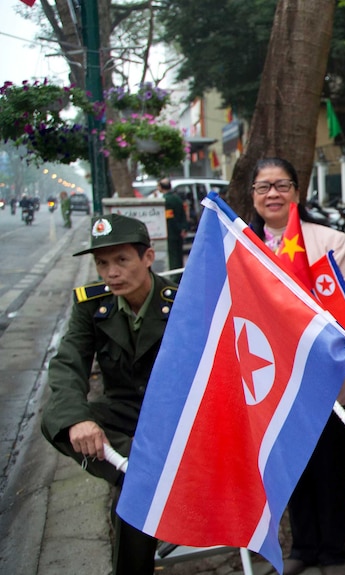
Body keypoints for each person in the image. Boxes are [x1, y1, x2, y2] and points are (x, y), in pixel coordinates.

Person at [40, 214, 179, 575]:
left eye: (121, 260)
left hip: (174, 418)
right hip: (123, 413)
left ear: (148, 257)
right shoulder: (91, 305)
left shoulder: (179, 303)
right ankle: (141, 473)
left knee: (130, 500)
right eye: (102, 263)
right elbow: (68, 364)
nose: (111, 273)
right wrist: (79, 419)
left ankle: (138, 476)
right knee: (57, 418)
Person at [249, 157, 345, 575]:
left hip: (328, 379)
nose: (273, 194)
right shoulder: (248, 248)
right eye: (263, 187)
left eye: (281, 185)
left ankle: (334, 550)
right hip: (276, 382)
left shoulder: (329, 241)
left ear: (297, 191)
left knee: (331, 468)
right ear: (254, 197)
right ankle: (303, 547)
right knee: (291, 466)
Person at [160, 178, 188, 272]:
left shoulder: (166, 200)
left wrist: (176, 229)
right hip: (179, 231)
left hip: (171, 232)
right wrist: (183, 228)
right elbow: (183, 215)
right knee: (179, 255)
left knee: (173, 257)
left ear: (161, 187)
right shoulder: (177, 198)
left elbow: (169, 218)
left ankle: (175, 276)